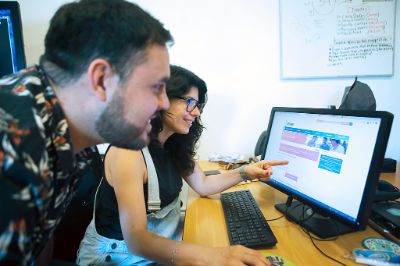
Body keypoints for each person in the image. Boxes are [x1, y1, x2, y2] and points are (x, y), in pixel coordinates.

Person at [0, 0, 173, 264]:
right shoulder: (17, 154)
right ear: (101, 80)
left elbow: (39, 243)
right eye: (156, 87)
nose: (165, 103)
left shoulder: (66, 129)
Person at [77, 65, 288, 265]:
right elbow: (137, 240)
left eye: (198, 105)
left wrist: (245, 172)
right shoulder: (128, 152)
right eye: (190, 102)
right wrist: (210, 257)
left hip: (153, 248)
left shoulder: (171, 145)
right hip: (118, 257)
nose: (196, 113)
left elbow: (204, 185)